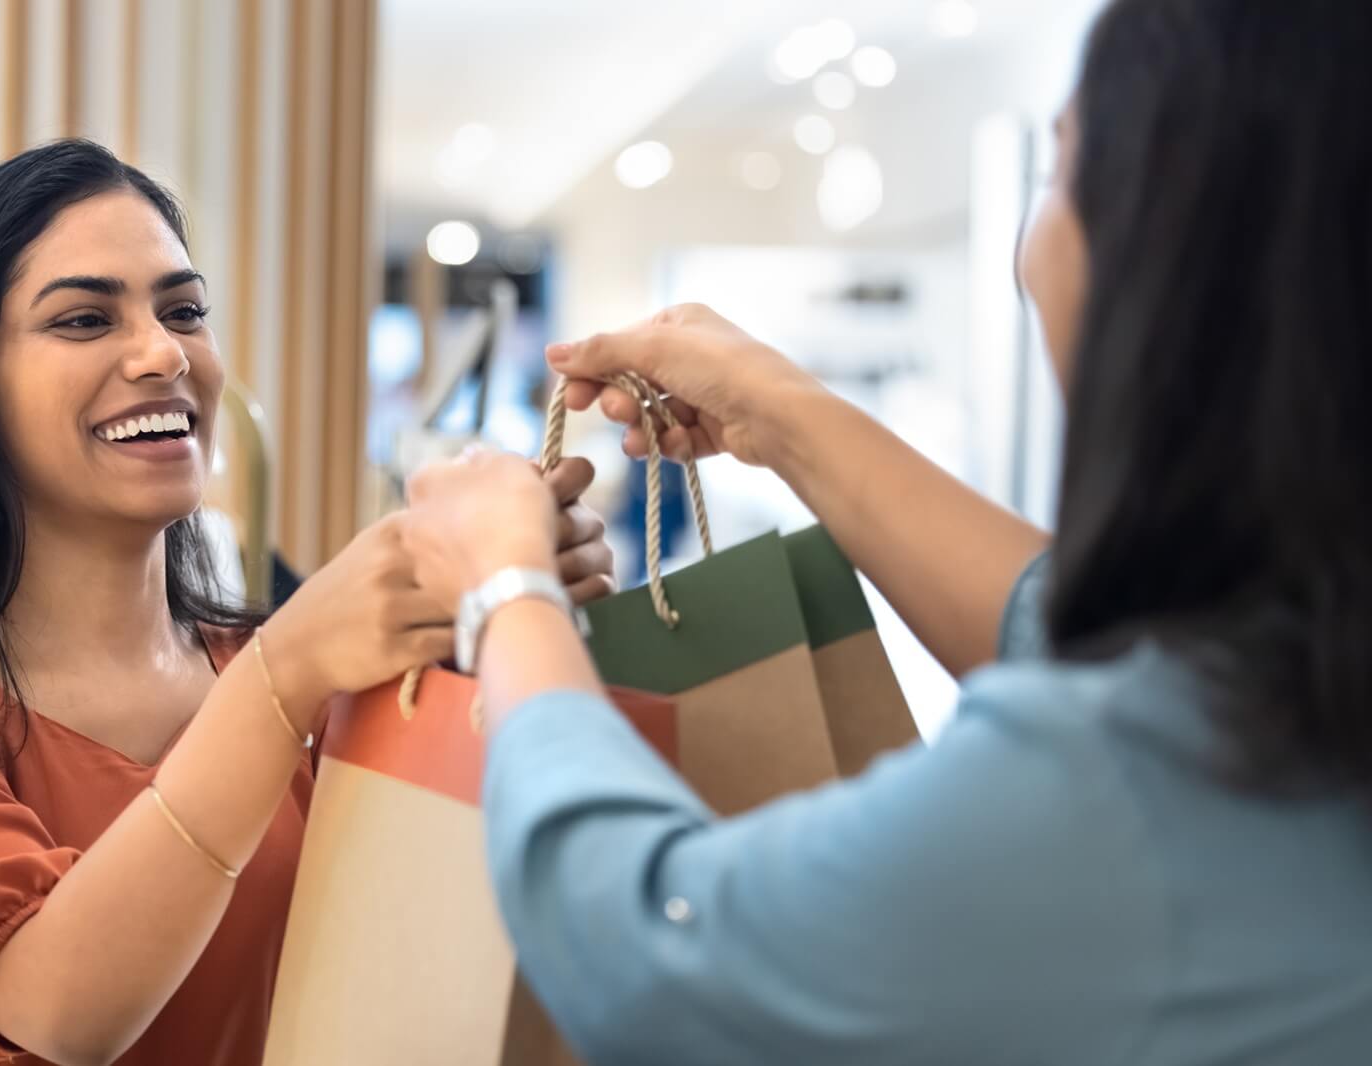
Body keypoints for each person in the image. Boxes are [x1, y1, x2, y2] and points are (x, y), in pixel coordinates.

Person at [399, 0, 1372, 1061]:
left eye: (1060, 173)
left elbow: (655, 959)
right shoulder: (1296, 685)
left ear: (1170, 263)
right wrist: (782, 416)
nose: (1025, 250)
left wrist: (506, 589)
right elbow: (1054, 624)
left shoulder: (1125, 794)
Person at [0, 140, 616, 1066]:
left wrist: (510, 601)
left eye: (185, 311)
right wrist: (283, 673)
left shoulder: (283, 666)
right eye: (86, 320)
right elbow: (53, 1013)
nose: (163, 352)